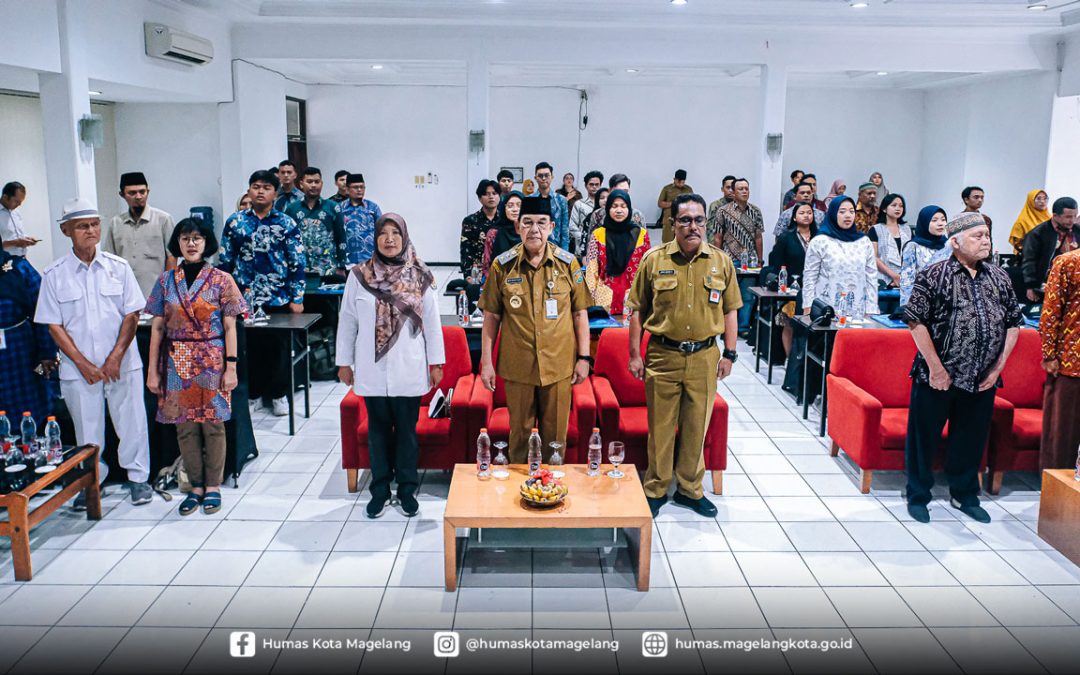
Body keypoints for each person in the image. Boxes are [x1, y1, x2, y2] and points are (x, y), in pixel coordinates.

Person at [903, 212, 1022, 523]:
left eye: (987, 235)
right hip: (937, 377)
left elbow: (1013, 323)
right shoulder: (934, 275)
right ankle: (918, 494)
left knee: (970, 439)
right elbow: (915, 321)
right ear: (955, 242)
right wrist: (937, 369)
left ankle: (964, 494)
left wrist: (997, 369)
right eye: (977, 236)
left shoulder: (999, 277)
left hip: (982, 378)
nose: (985, 241)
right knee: (923, 438)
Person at [627, 193, 741, 518]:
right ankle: (656, 487)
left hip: (705, 357)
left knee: (696, 426)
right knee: (660, 427)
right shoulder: (654, 260)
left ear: (707, 222)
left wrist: (730, 354)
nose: (693, 226)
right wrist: (635, 355)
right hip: (663, 355)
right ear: (673, 223)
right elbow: (637, 311)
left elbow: (731, 310)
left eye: (699, 220)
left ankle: (690, 489)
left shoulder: (721, 262)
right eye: (685, 220)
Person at [34, 198, 153, 507]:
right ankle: (92, 483)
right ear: (66, 231)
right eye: (82, 226)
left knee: (132, 422)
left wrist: (114, 357)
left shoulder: (118, 267)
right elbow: (53, 325)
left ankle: (138, 479)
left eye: (94, 224)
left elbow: (132, 314)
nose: (90, 230)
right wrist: (83, 364)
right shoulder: (54, 274)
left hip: (122, 363)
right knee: (87, 428)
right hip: (78, 369)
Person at [337, 213, 444, 519]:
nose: (388, 239)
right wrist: (344, 362)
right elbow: (347, 321)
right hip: (372, 367)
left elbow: (433, 325)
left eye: (395, 233)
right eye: (382, 233)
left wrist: (436, 361)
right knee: (378, 431)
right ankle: (380, 489)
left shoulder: (421, 275)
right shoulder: (358, 275)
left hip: (410, 365)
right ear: (375, 238)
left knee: (408, 432)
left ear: (404, 237)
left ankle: (408, 489)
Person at [477, 197, 591, 463]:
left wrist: (584, 358)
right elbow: (491, 316)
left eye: (541, 223)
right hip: (518, 365)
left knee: (555, 440)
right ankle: (518, 495)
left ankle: (551, 491)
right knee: (519, 436)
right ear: (518, 227)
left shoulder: (568, 264)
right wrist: (486, 363)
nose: (534, 230)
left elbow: (580, 313)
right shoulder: (502, 266)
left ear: (551, 226)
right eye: (527, 223)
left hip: (559, 365)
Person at [145, 218, 245, 516]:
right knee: (185, 428)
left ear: (206, 243)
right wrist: (153, 370)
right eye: (186, 238)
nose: (191, 243)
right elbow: (157, 328)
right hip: (176, 361)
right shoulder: (165, 281)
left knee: (213, 424)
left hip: (212, 358)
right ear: (177, 242)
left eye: (197, 238)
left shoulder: (221, 279)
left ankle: (213, 485)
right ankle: (195, 485)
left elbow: (230, 327)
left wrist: (231, 367)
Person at [218, 170, 306, 417]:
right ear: (248, 190)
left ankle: (279, 395)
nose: (260, 191)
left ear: (275, 193)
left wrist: (297, 298)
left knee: (277, 349)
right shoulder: (236, 222)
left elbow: (297, 262)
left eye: (266, 187)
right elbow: (225, 262)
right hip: (243, 298)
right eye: (255, 186)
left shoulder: (286, 223)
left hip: (277, 297)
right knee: (249, 349)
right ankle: (254, 394)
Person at [0, 234, 57, 425]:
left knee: (28, 414)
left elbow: (43, 312)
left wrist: (47, 352)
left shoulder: (18, 268)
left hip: (19, 353)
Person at [801, 196, 878, 319]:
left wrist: (872, 308)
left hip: (858, 309)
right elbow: (810, 276)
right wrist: (808, 306)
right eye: (842, 212)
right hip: (826, 308)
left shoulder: (864, 242)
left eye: (851, 211)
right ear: (833, 213)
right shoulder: (820, 241)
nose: (848, 216)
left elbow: (871, 276)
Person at [103, 172, 176, 298]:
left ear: (148, 191)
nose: (138, 196)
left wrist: (167, 292)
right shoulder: (116, 223)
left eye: (142, 192)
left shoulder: (163, 219)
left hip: (155, 294)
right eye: (132, 193)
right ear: (122, 195)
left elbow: (172, 257)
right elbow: (109, 260)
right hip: (124, 295)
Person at [1040, 247, 1080, 470]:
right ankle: (1056, 495)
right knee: (1063, 437)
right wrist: (1049, 354)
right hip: (1070, 364)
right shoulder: (1068, 262)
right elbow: (1050, 312)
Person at [583, 189, 650, 316]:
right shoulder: (598, 235)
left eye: (623, 206)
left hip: (633, 302)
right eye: (614, 206)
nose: (619, 210)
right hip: (604, 301)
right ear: (608, 209)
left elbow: (647, 269)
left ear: (629, 209)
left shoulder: (642, 234)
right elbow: (592, 269)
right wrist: (589, 302)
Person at [711, 178, 763, 335]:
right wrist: (717, 259)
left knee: (747, 297)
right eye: (740, 189)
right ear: (733, 192)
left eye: (746, 188)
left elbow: (758, 237)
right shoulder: (723, 211)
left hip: (751, 261)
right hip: (729, 259)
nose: (744, 191)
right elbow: (718, 237)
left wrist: (760, 260)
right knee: (728, 296)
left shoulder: (756, 211)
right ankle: (725, 328)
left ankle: (742, 328)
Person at [769, 202, 817, 357]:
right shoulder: (786, 237)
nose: (806, 216)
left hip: (815, 288)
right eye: (802, 213)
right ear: (795, 217)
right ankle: (790, 359)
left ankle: (807, 360)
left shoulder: (820, 237)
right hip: (791, 288)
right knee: (789, 324)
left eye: (809, 212)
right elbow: (777, 261)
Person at [284, 167, 346, 278]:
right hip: (300, 268)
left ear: (321, 184)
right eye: (309, 182)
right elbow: (287, 240)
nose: (313, 185)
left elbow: (341, 238)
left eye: (317, 182)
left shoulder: (333, 207)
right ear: (301, 184)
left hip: (328, 268)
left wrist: (341, 266)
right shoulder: (292, 209)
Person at [1020, 197, 1079, 304]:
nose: (1073, 220)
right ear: (1055, 215)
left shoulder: (1077, 231)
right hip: (1046, 286)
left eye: (1075, 216)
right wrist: (1031, 287)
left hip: (1075, 288)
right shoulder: (1037, 233)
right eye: (1068, 217)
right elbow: (1029, 261)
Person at [899, 206, 948, 307]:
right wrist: (907, 306)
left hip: (944, 302)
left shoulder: (948, 245)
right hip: (920, 301)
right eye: (934, 220)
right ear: (925, 222)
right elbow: (907, 279)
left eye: (943, 220)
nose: (940, 223)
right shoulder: (913, 246)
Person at [868, 194, 911, 288]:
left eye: (901, 206)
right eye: (894, 205)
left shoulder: (907, 229)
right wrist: (893, 275)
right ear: (884, 209)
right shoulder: (875, 229)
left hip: (904, 280)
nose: (898, 208)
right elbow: (874, 257)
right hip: (882, 280)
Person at [460, 179, 500, 279]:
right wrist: (468, 275)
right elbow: (466, 250)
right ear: (480, 198)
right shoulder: (470, 221)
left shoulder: (504, 220)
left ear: (499, 196)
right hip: (478, 271)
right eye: (487, 194)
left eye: (494, 193)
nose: (491, 197)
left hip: (501, 270)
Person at [339, 173, 383, 266]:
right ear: (347, 189)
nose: (359, 190)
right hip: (347, 260)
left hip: (370, 259)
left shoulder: (373, 208)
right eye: (355, 187)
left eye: (362, 187)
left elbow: (381, 231)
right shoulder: (339, 208)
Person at [529, 162, 570, 250]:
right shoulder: (529, 199)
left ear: (552, 177)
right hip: (534, 247)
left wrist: (564, 253)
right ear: (535, 178)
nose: (543, 178)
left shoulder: (561, 200)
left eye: (547, 175)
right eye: (540, 176)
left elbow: (565, 229)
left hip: (556, 247)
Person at [482, 190, 524, 276]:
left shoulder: (531, 232)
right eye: (510, 206)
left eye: (519, 205)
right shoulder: (494, 233)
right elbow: (487, 265)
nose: (515, 210)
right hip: (499, 281)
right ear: (504, 209)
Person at [0, 182, 40, 258]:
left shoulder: (16, 213)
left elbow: (16, 235)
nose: (19, 205)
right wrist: (15, 243)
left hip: (21, 259)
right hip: (4, 263)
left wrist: (26, 240)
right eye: (16, 201)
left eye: (21, 202)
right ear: (5, 197)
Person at [569, 170, 604, 257]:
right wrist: (586, 238)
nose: (594, 187)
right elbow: (572, 226)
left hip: (602, 248)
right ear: (586, 186)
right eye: (591, 184)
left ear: (600, 185)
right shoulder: (579, 204)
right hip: (582, 249)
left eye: (597, 185)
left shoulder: (606, 205)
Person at [1009, 189, 1050, 255]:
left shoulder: (1050, 219)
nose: (1042, 201)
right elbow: (1018, 244)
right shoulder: (1022, 222)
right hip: (1029, 259)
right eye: (1038, 199)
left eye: (1045, 198)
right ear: (1031, 201)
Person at [657, 169, 693, 243]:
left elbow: (693, 204)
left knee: (684, 242)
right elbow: (660, 203)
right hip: (669, 220)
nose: (680, 184)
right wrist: (674, 203)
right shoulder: (667, 189)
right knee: (667, 243)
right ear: (674, 179)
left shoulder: (688, 189)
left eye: (682, 182)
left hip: (684, 221)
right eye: (678, 181)